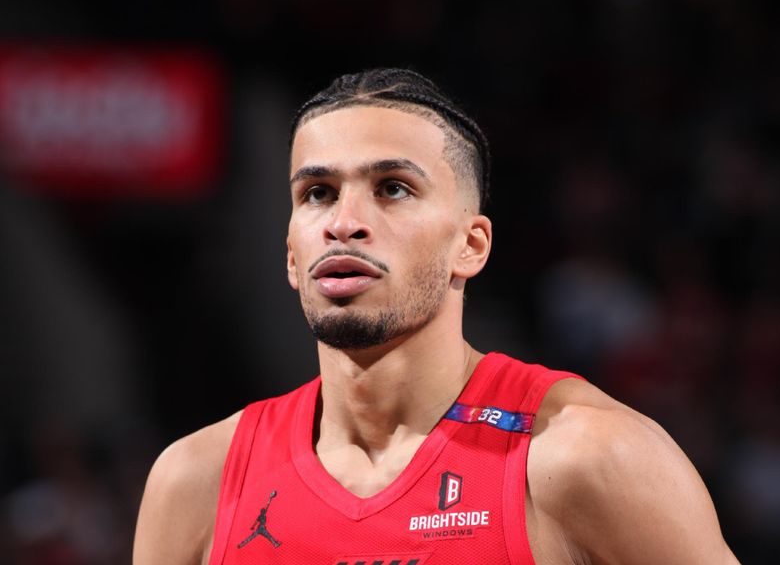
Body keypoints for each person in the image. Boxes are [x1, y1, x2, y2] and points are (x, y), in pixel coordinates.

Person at [133, 68, 739, 564]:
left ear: (470, 246)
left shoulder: (583, 459)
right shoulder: (197, 483)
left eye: (393, 187)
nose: (344, 223)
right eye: (317, 193)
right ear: (292, 253)